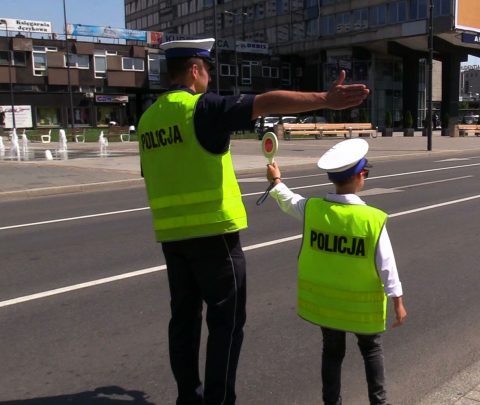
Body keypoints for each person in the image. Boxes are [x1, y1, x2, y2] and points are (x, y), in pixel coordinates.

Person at [137, 38, 369, 405]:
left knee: (182, 322)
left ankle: (188, 398)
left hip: (171, 237)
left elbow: (153, 173)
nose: (209, 78)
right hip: (214, 235)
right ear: (195, 70)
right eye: (208, 70)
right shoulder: (200, 108)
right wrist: (325, 99)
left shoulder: (148, 120)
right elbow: (265, 101)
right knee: (226, 325)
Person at [266, 139, 407, 405]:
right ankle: (379, 402)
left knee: (332, 354)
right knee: (371, 351)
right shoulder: (372, 219)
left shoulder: (313, 210)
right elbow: (386, 264)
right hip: (362, 311)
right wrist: (398, 301)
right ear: (360, 177)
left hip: (326, 308)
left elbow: (288, 200)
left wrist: (276, 180)